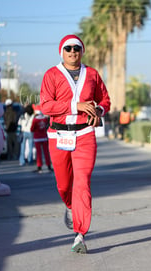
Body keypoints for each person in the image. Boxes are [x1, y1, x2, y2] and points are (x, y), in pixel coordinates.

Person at [40, 34, 111, 254]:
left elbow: (105, 100)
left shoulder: (92, 74)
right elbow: (46, 106)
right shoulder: (51, 74)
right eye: (68, 48)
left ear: (82, 51)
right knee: (64, 185)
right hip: (59, 136)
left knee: (82, 182)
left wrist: (99, 111)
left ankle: (80, 233)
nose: (73, 52)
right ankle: (70, 206)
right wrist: (76, 106)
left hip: (85, 135)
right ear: (61, 51)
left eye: (77, 48)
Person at [30, 106, 52, 173]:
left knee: (39, 153)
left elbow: (32, 129)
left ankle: (39, 167)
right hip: (44, 137)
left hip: (37, 138)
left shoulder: (35, 120)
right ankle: (49, 166)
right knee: (46, 152)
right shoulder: (45, 119)